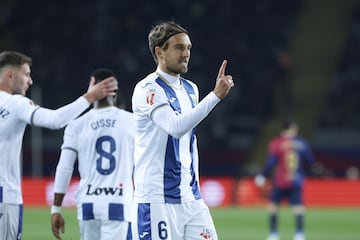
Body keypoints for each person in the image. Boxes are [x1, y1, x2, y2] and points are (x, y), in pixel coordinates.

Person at [131, 20, 234, 240]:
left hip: (191, 198)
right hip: (157, 199)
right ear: (159, 52)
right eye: (179, 47)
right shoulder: (147, 89)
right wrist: (215, 96)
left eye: (188, 48)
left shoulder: (191, 89)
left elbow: (189, 139)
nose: (186, 53)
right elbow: (175, 128)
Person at [0, 51, 117, 240]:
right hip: (5, 198)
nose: (30, 81)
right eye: (26, 74)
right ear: (10, 75)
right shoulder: (15, 104)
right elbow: (55, 120)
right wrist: (89, 97)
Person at [50, 68, 135, 240]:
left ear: (91, 87)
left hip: (88, 203)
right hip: (118, 202)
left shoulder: (76, 125)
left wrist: (56, 209)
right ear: (116, 92)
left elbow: (64, 167)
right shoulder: (133, 122)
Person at [254, 120, 314, 240]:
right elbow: (310, 161)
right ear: (294, 129)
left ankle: (273, 234)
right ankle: (299, 234)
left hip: (280, 180)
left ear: (282, 130)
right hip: (296, 179)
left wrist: (263, 175)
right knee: (298, 207)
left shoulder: (276, 143)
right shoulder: (302, 143)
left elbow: (271, 162)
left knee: (273, 206)